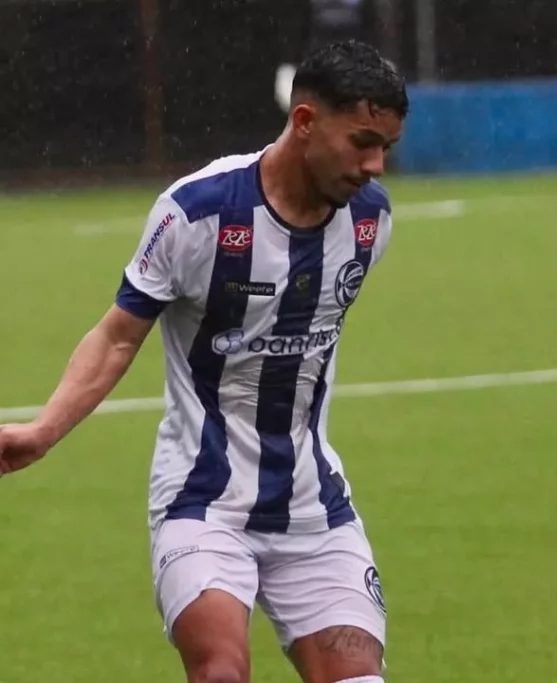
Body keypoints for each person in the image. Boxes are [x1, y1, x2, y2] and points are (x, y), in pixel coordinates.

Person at [0, 39, 407, 683]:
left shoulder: (368, 223)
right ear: (304, 122)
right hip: (202, 501)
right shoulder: (198, 212)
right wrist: (43, 430)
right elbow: (117, 336)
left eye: (386, 146)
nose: (376, 164)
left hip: (315, 509)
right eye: (361, 141)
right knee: (220, 672)